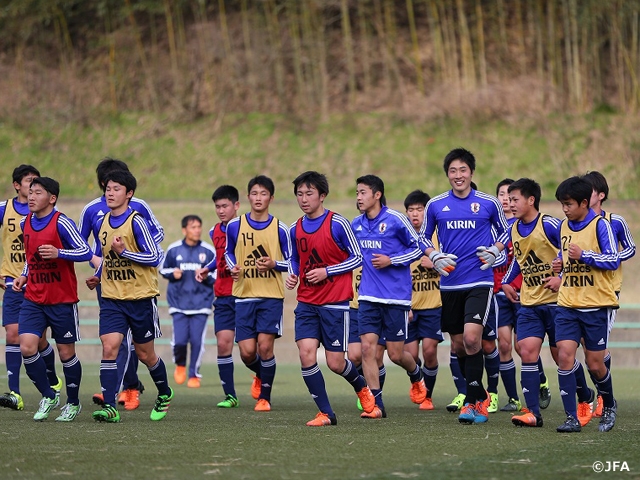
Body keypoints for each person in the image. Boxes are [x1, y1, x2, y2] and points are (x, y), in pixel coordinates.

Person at [422, 148, 510, 424]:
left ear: (471, 173)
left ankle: (473, 404)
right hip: (449, 286)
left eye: (463, 170)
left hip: (480, 282)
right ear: (447, 174)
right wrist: (434, 255)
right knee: (459, 346)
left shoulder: (488, 203)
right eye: (452, 171)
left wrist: (496, 250)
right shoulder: (435, 205)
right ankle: (479, 393)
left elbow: (508, 231)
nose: (458, 175)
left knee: (474, 340)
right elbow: (420, 237)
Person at [286, 171, 375, 426]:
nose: (304, 199)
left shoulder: (338, 224)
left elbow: (358, 257)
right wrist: (293, 274)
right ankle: (326, 412)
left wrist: (328, 271)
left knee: (336, 363)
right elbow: (295, 259)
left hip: (335, 304)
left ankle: (362, 388)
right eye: (300, 194)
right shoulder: (295, 228)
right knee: (306, 354)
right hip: (306, 302)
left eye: (309, 193)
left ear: (322, 196)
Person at [87, 170, 173, 422]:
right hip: (113, 298)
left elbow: (154, 257)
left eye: (116, 189)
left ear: (129, 194)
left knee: (146, 355)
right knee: (109, 347)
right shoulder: (102, 223)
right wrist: (99, 274)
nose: (110, 193)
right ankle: (110, 406)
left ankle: (164, 392)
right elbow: (107, 257)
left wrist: (126, 253)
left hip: (140, 299)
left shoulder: (137, 221)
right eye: (108, 189)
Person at [13, 177, 93, 421]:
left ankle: (74, 402)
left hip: (61, 300)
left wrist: (59, 253)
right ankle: (48, 395)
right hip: (34, 297)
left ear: (52, 198)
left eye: (38, 192)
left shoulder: (62, 223)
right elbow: (30, 256)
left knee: (66, 352)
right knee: (26, 346)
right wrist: (24, 275)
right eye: (30, 192)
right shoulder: (26, 222)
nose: (31, 196)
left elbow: (85, 251)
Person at [352, 175, 427, 419]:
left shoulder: (396, 220)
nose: (359, 197)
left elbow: (418, 248)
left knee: (396, 354)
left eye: (363, 192)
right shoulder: (356, 225)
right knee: (368, 350)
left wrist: (391, 260)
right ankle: (377, 404)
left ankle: (416, 374)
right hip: (368, 297)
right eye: (357, 193)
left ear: (377, 194)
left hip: (396, 298)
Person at [553, 176, 619, 433]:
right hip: (567, 304)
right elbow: (564, 255)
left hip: (596, 306)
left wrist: (586, 255)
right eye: (562, 204)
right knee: (564, 357)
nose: (565, 209)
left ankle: (609, 404)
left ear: (584, 203)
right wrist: (558, 268)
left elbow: (613, 259)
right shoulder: (563, 227)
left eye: (568, 204)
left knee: (595, 364)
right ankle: (572, 417)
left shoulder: (601, 226)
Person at [224, 175, 291, 412]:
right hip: (243, 296)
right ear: (248, 196)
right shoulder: (235, 225)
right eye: (254, 193)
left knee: (264, 348)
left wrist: (275, 264)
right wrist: (232, 266)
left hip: (271, 296)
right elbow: (228, 253)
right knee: (247, 352)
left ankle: (265, 397)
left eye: (263, 194)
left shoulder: (281, 228)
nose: (258, 198)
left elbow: (293, 262)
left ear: (271, 198)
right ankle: (260, 375)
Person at [0, 165, 63, 411]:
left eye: (37, 185)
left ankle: (52, 380)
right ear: (17, 185)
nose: (34, 188)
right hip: (13, 284)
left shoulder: (47, 214)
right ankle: (15, 393)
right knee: (13, 335)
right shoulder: (5, 210)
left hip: (40, 284)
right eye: (29, 182)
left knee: (38, 341)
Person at [502, 178, 563, 428]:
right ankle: (532, 412)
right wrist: (506, 281)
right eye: (508, 198)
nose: (510, 203)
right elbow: (520, 259)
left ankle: (584, 398)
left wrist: (560, 277)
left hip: (558, 304)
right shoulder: (514, 228)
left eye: (515, 199)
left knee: (563, 358)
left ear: (531, 200)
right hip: (529, 303)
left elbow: (569, 248)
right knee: (526, 352)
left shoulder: (548, 224)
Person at [583, 171, 635, 417]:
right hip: (581, 291)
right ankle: (600, 393)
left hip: (607, 292)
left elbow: (630, 248)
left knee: (598, 350)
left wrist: (609, 259)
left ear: (600, 195)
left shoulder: (615, 221)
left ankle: (605, 399)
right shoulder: (577, 223)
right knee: (587, 348)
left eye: (589, 190)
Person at [195, 185, 242, 408]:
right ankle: (230, 395)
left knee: (249, 350)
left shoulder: (246, 228)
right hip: (222, 295)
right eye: (217, 206)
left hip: (245, 295)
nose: (221, 210)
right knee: (223, 345)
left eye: (225, 206)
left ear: (236, 206)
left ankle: (261, 378)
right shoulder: (214, 231)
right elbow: (221, 257)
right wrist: (207, 267)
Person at [160, 215, 215, 388]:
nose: (197, 230)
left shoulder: (208, 251)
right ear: (184, 230)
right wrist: (172, 273)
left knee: (197, 342)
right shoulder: (174, 249)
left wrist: (206, 276)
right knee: (180, 341)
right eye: (193, 227)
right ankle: (180, 364)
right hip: (179, 303)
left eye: (199, 227)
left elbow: (217, 275)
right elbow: (162, 268)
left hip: (201, 303)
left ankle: (194, 374)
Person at [403, 189, 443, 411]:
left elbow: (453, 269)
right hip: (408, 307)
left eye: (420, 209)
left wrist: (435, 264)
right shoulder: (402, 239)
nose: (415, 214)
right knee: (409, 355)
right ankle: (417, 382)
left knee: (429, 352)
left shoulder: (438, 238)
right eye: (411, 210)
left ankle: (428, 395)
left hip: (432, 306)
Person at [491, 178, 527, 413]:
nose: (505, 199)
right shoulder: (490, 226)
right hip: (499, 294)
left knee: (522, 346)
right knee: (504, 345)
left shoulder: (524, 226)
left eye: (510, 195)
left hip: (524, 294)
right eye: (502, 195)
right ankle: (513, 399)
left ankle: (539, 384)